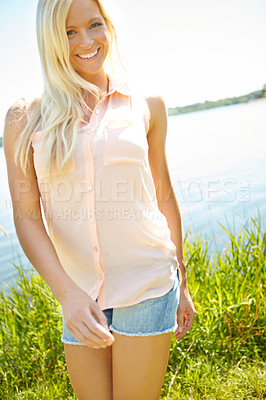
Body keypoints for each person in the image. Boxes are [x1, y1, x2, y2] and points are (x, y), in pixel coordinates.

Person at [3, 0, 196, 399]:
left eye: (94, 25)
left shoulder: (148, 105)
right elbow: (26, 215)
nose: (86, 41)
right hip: (79, 297)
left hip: (149, 285)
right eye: (69, 31)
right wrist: (67, 294)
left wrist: (184, 281)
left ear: (108, 25)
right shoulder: (25, 117)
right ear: (50, 38)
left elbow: (162, 195)